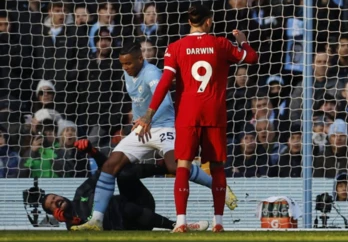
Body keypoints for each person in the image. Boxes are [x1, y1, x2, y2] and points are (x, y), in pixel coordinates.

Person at [71, 43, 231, 232]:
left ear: (140, 59)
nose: (125, 68)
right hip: (142, 129)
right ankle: (96, 220)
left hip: (163, 126)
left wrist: (147, 117)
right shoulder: (128, 72)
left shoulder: (151, 73)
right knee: (109, 165)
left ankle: (219, 187)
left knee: (174, 166)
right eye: (122, 64)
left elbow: (163, 103)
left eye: (128, 63)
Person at [133, 4, 258, 233]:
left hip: (187, 114)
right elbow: (251, 58)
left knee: (183, 165)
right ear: (208, 22)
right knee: (217, 166)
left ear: (190, 22)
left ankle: (181, 222)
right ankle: (218, 222)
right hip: (214, 113)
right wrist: (242, 40)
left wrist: (149, 114)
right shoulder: (221, 44)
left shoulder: (175, 48)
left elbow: (163, 84)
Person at [43, 141, 208, 231]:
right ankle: (177, 225)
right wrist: (68, 220)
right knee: (123, 208)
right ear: (53, 213)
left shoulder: (81, 192)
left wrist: (93, 152)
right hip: (129, 224)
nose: (55, 200)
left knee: (122, 172)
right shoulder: (73, 224)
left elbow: (106, 169)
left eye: (54, 196)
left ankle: (165, 166)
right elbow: (79, 237)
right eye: (51, 204)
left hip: (141, 203)